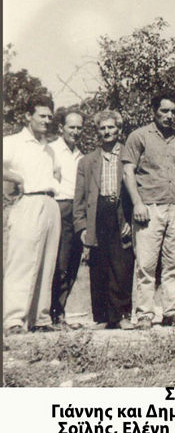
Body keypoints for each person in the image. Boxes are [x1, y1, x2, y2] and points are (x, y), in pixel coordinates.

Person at [122, 90, 175, 329]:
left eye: (173, 112)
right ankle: (144, 313)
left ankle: (171, 311)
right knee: (146, 264)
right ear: (154, 111)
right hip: (149, 208)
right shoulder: (139, 136)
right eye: (164, 111)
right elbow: (128, 172)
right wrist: (137, 203)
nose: (169, 116)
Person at [3, 94, 61, 334]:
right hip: (27, 202)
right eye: (42, 116)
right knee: (22, 261)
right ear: (28, 116)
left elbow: (55, 174)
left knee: (47, 263)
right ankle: (14, 319)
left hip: (50, 203)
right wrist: (16, 178)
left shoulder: (49, 149)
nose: (47, 120)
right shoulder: (13, 142)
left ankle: (40, 319)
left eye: (49, 116)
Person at [73, 110, 135, 329]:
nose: (107, 131)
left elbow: (139, 190)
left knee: (122, 265)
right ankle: (101, 317)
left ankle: (122, 315)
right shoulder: (87, 161)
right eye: (102, 128)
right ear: (97, 131)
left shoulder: (130, 155)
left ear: (119, 129)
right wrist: (81, 226)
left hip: (121, 212)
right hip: (97, 214)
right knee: (98, 265)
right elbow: (80, 197)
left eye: (111, 127)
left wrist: (131, 221)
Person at [49, 107, 85, 329]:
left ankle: (59, 312)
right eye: (72, 127)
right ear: (61, 128)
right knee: (59, 262)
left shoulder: (81, 155)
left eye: (79, 128)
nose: (76, 132)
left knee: (73, 261)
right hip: (59, 207)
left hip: (77, 209)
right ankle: (51, 313)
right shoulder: (51, 150)